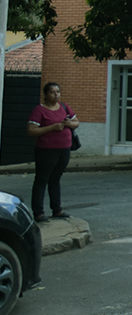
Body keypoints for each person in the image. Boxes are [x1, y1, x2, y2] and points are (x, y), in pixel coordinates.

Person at [26, 82, 79, 223]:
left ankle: (57, 209)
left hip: (64, 149)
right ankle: (38, 212)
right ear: (46, 94)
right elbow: (31, 130)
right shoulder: (39, 110)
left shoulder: (64, 107)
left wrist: (69, 124)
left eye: (58, 92)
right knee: (42, 179)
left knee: (55, 178)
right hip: (46, 150)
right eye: (52, 92)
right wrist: (52, 127)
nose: (56, 95)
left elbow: (76, 122)